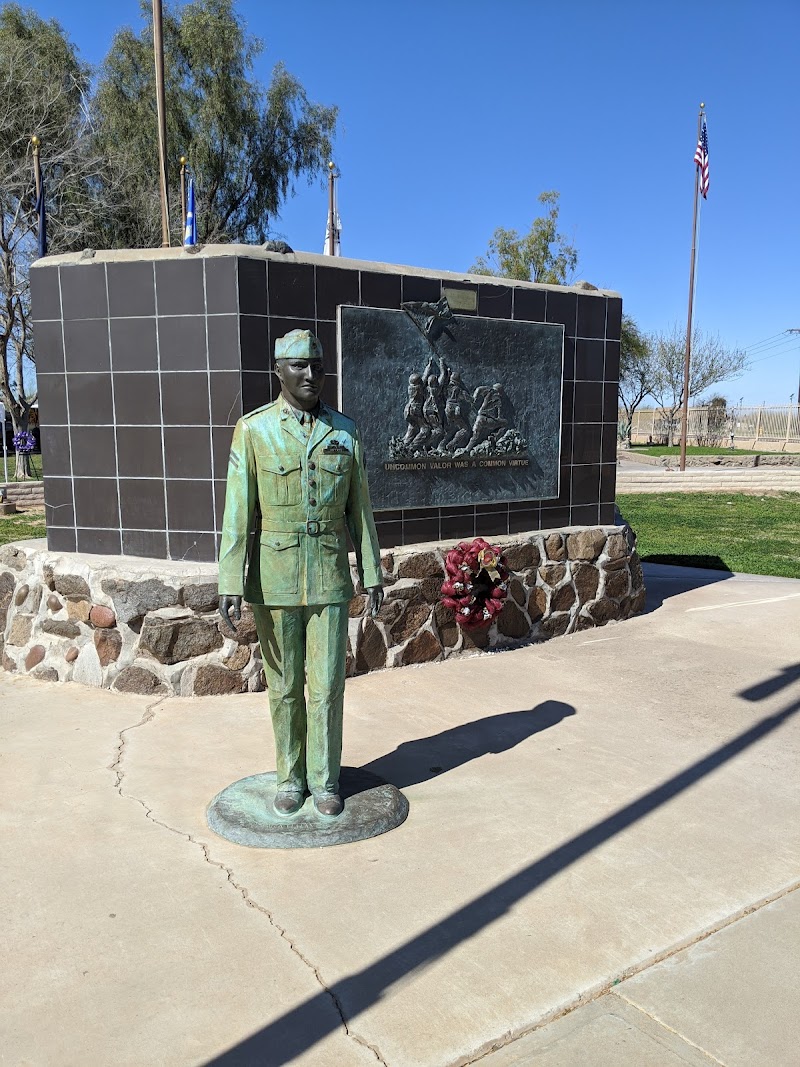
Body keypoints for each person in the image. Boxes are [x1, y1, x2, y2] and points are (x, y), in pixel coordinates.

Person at [218, 329, 383, 819]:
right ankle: (290, 777)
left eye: (316, 364)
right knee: (286, 685)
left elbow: (362, 511)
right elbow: (237, 513)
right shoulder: (253, 431)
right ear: (279, 371)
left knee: (329, 684)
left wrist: (371, 570)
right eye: (299, 366)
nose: (311, 374)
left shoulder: (345, 432)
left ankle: (324, 779)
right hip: (274, 578)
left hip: (329, 576)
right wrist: (230, 580)